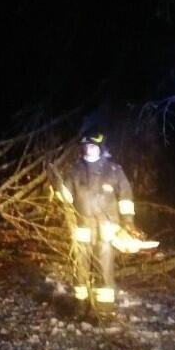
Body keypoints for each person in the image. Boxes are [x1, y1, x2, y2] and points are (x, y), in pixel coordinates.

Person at [58, 133, 140, 320]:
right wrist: (58, 188)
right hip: (82, 228)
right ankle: (80, 307)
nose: (89, 149)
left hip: (107, 228)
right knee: (80, 268)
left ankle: (103, 311)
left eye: (93, 146)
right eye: (86, 146)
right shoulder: (74, 170)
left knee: (104, 268)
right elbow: (67, 198)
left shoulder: (114, 170)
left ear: (101, 148)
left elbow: (126, 196)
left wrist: (128, 222)